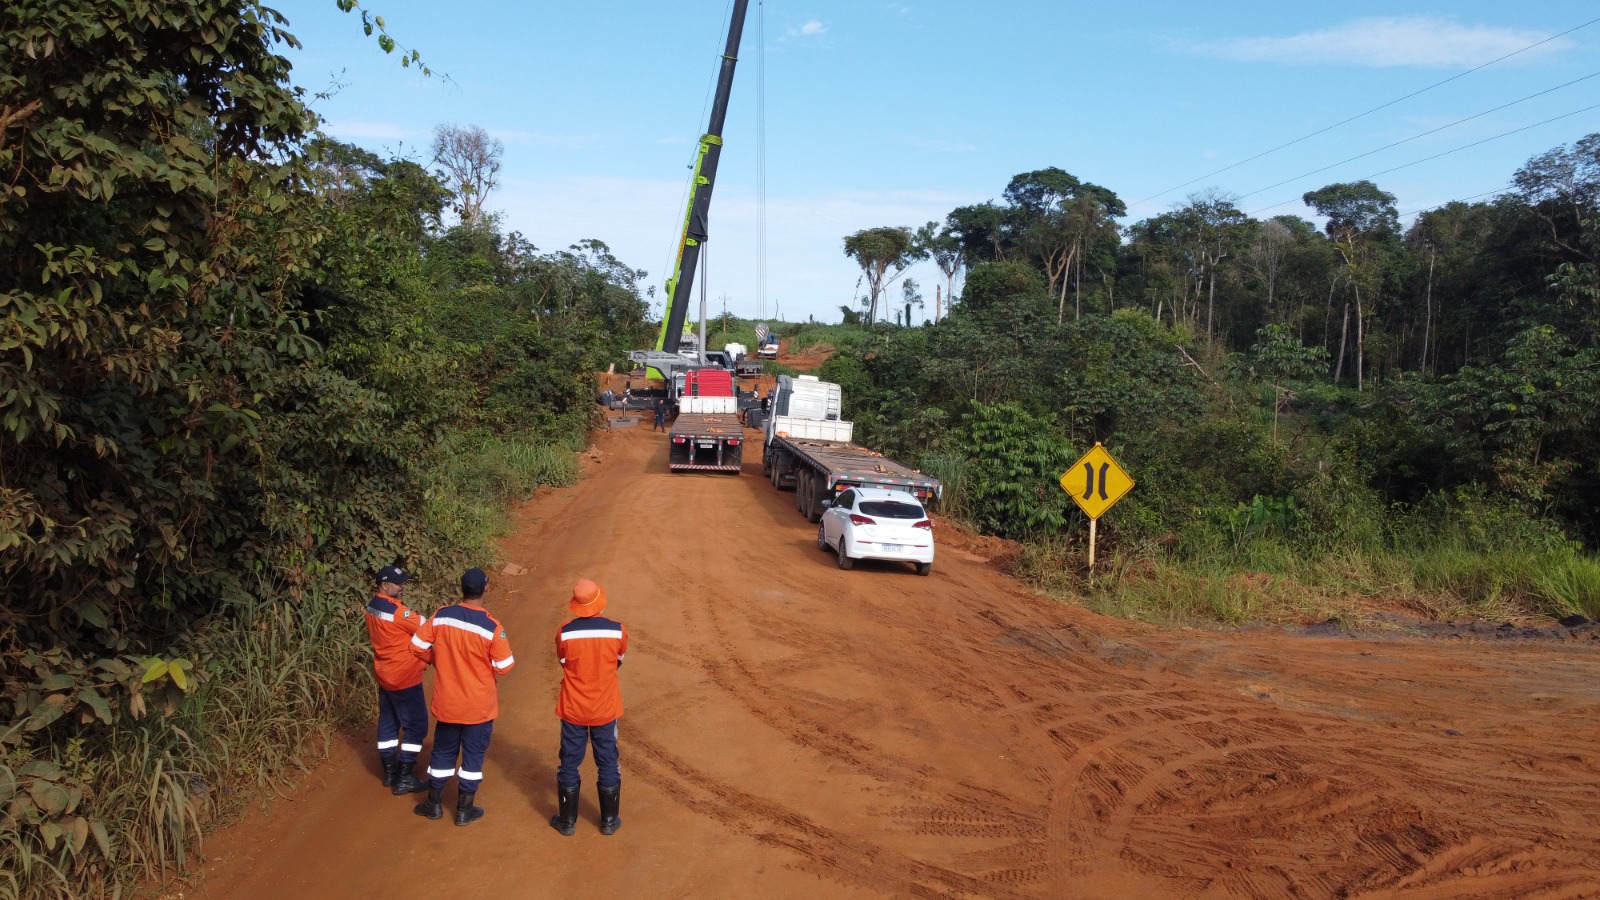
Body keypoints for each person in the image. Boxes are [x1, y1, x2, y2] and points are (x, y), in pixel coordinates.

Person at [410, 567, 515, 826]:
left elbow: (416, 645)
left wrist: (437, 659)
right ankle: (464, 810)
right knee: (473, 757)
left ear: (462, 588)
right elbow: (504, 665)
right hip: (478, 707)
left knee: (442, 752)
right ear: (485, 589)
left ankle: (434, 804)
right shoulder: (492, 627)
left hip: (448, 703)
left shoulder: (442, 616)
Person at [549, 579, 628, 836]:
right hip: (605, 708)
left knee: (569, 762)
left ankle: (567, 822)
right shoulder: (617, 630)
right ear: (599, 603)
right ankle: (609, 821)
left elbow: (563, 661)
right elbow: (619, 659)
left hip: (573, 708)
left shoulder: (565, 632)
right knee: (608, 761)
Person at [364, 564, 429, 795]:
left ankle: (389, 772)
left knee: (388, 723)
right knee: (417, 726)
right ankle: (404, 776)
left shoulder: (372, 605)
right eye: (398, 583)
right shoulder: (396, 611)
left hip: (385, 673)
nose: (402, 587)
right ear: (384, 585)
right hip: (404, 676)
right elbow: (424, 626)